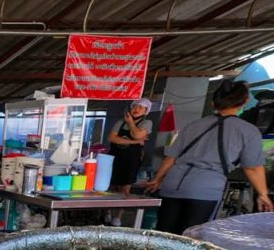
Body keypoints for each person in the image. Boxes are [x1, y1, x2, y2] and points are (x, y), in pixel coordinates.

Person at [146, 80, 273, 235]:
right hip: (205, 189)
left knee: (163, 235)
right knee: (190, 239)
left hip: (171, 185)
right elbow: (253, 168)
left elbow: (170, 158)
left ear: (214, 102)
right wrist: (263, 194)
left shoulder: (194, 125)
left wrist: (157, 180)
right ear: (245, 101)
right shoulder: (248, 131)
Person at [106, 98, 153, 226]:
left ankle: (118, 217)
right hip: (115, 157)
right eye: (134, 106)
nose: (136, 109)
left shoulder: (147, 123)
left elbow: (137, 135)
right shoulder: (120, 122)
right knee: (110, 186)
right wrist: (133, 142)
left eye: (140, 107)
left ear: (146, 111)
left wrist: (131, 123)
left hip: (131, 160)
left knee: (124, 188)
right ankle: (107, 213)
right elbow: (112, 138)